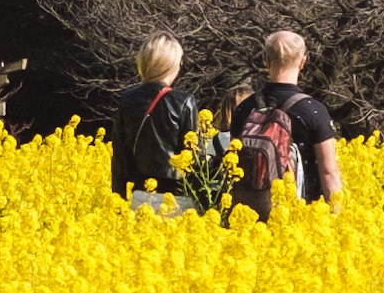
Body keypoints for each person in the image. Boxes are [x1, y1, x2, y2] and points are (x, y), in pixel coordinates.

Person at [230, 25, 345, 213]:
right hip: (300, 216)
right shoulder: (313, 111)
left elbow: (233, 164)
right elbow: (328, 172)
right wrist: (337, 217)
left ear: (266, 61)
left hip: (251, 213)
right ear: (303, 62)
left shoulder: (245, 108)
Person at [113, 36, 203, 202]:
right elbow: (193, 158)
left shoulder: (127, 100)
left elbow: (119, 159)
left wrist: (117, 203)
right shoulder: (184, 102)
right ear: (171, 65)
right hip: (176, 197)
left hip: (139, 194)